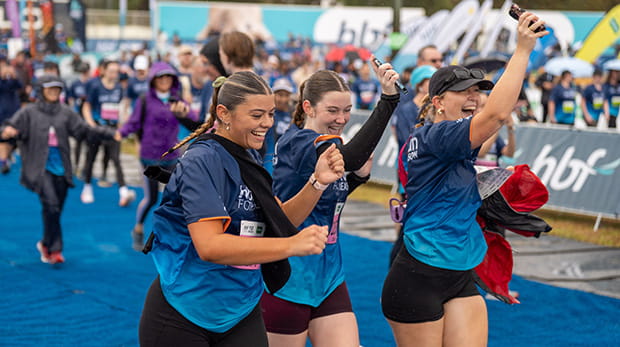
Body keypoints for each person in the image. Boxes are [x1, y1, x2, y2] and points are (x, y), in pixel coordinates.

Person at [138, 71, 346, 346]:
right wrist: (291, 246)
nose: (267, 124)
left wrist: (317, 182)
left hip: (241, 310)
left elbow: (279, 220)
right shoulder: (202, 160)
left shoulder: (249, 156)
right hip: (184, 313)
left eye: (271, 114)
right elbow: (210, 246)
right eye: (257, 115)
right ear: (224, 113)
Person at [381, 12, 547, 347]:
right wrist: (523, 50)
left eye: (477, 90)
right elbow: (497, 114)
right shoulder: (438, 136)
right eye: (463, 91)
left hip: (457, 275)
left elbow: (491, 123)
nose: (474, 96)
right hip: (417, 277)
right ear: (439, 102)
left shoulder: (444, 139)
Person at [261, 59, 400, 347]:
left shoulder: (327, 148)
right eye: (333, 111)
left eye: (347, 110)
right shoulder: (300, 142)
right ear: (308, 107)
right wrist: (388, 100)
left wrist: (356, 181)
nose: (342, 118)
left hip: (329, 278)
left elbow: (326, 199)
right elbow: (285, 217)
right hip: (289, 280)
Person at [0, 76, 120, 264]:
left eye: (57, 88)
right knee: (52, 204)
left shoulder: (66, 113)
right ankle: (55, 250)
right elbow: (10, 126)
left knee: (54, 209)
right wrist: (7, 131)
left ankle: (46, 242)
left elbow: (84, 131)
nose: (54, 91)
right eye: (50, 88)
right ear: (41, 90)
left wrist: (112, 134)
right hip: (40, 168)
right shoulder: (29, 112)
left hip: (62, 169)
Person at [119, 62, 198, 251]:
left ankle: (175, 236)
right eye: (160, 77)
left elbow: (195, 120)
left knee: (179, 197)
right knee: (152, 198)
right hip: (149, 157)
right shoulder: (145, 100)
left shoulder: (177, 100)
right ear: (153, 80)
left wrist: (190, 113)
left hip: (171, 156)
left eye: (168, 77)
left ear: (173, 80)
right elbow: (134, 122)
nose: (164, 81)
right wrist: (120, 133)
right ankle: (138, 229)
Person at [388, 64, 436, 266]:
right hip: (410, 176)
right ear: (419, 84)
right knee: (407, 226)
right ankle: (395, 272)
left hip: (431, 177)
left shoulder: (434, 110)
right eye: (429, 82)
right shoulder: (407, 109)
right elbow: (408, 142)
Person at [80, 60, 135, 206]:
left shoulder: (118, 88)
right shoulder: (95, 85)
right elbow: (87, 106)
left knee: (116, 159)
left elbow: (119, 108)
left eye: (116, 71)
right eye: (111, 71)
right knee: (90, 159)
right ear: (103, 71)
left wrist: (121, 126)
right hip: (97, 127)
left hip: (112, 129)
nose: (114, 74)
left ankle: (123, 192)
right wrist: (91, 124)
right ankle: (87, 188)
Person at [262, 77, 294, 174]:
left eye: (286, 95)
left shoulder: (294, 116)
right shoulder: (267, 115)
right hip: (269, 161)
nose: (283, 99)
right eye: (280, 95)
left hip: (289, 163)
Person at [0, 63, 23, 174]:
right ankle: (3, 162)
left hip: (14, 114)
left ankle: (6, 157)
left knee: (12, 140)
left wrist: (14, 76)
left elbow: (20, 86)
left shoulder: (12, 80)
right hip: (1, 114)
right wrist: (2, 77)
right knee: (3, 139)